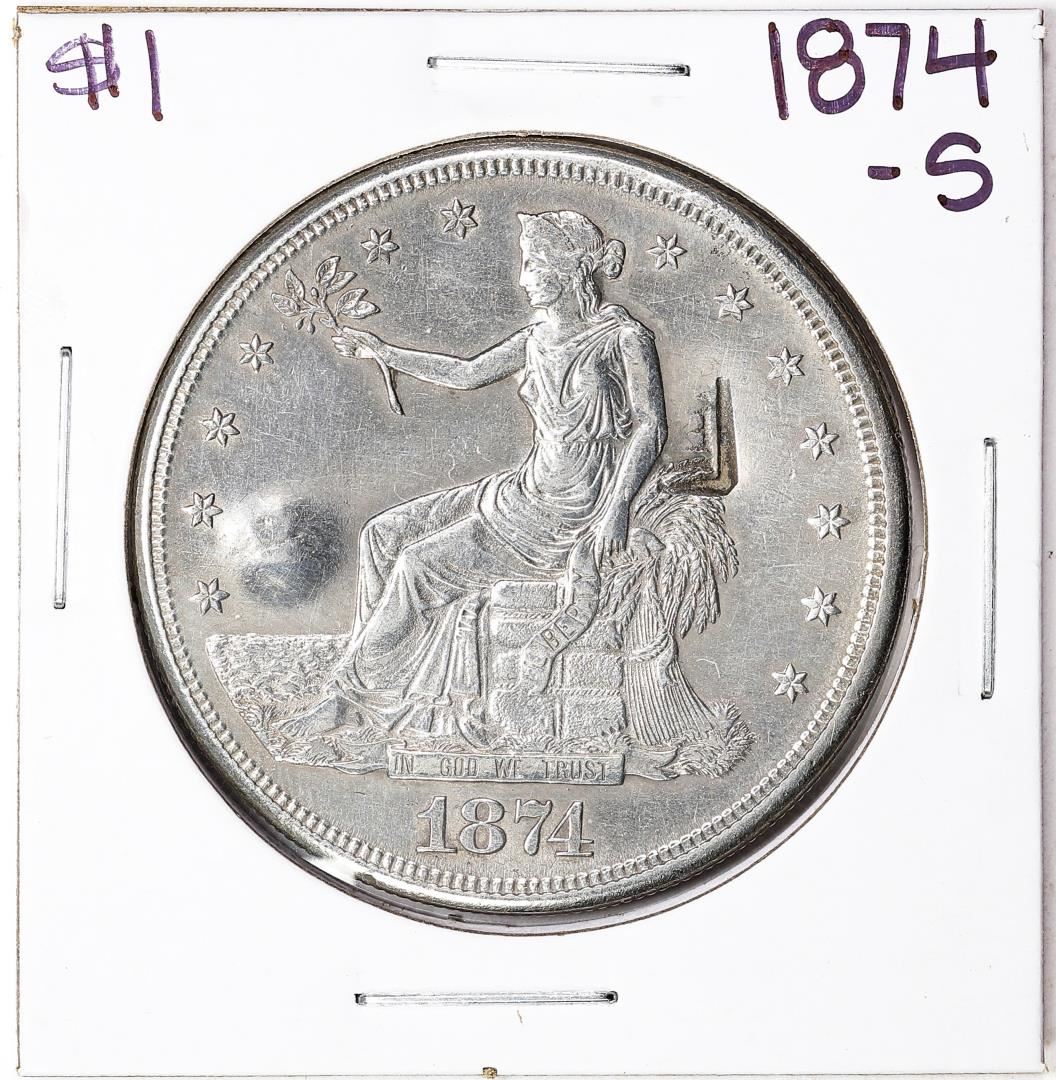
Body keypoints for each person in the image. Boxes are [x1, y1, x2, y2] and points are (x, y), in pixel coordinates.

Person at [295, 210, 668, 741]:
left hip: (561, 518)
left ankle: (349, 701)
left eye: (532, 264)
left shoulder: (624, 339)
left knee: (418, 566)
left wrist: (618, 509)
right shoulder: (535, 338)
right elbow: (467, 373)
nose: (523, 278)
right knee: (381, 534)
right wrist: (383, 351)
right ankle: (389, 690)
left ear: (568, 270)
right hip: (518, 494)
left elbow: (651, 426)